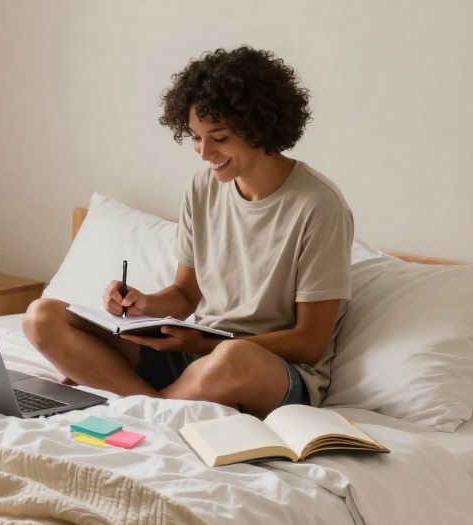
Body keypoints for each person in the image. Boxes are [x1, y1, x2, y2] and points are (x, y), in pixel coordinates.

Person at [23, 46, 353, 418]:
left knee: (234, 356)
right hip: (194, 351)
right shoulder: (203, 187)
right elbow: (184, 295)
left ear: (261, 125)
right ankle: (157, 405)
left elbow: (310, 342)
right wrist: (140, 303)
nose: (203, 152)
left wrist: (206, 344)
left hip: (268, 368)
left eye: (219, 137)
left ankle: (149, 405)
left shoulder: (320, 207)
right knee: (42, 316)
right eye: (196, 137)